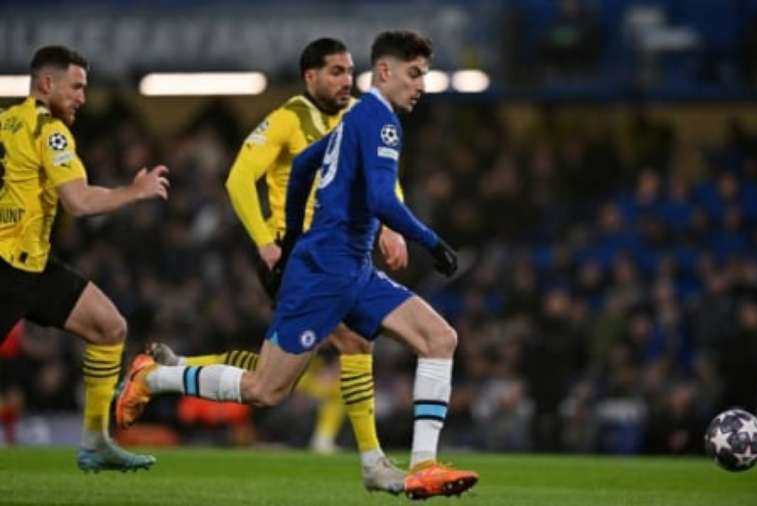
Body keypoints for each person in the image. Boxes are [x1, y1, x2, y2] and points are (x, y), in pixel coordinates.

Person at [116, 31, 479, 499]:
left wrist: (296, 229)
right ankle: (158, 376)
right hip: (323, 272)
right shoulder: (367, 121)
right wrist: (430, 241)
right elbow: (378, 196)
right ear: (385, 72)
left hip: (349, 267)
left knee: (437, 338)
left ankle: (419, 463)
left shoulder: (356, 118)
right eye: (415, 75)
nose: (421, 86)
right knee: (267, 389)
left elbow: (308, 164)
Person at [0, 46, 169, 471]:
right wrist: (135, 191)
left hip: (32, 266)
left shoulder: (6, 123)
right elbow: (78, 201)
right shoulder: (49, 131)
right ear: (46, 84)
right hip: (8, 271)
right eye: (76, 87)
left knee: (109, 327)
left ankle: (96, 443)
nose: (82, 98)